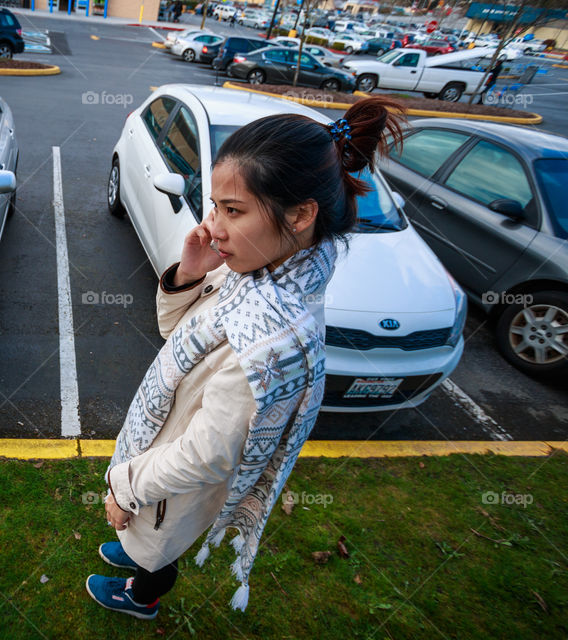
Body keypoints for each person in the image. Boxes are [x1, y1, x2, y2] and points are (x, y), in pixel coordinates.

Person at [85, 97, 405, 619]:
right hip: (159, 458)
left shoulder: (269, 340)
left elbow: (208, 454)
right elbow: (176, 337)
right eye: (214, 206)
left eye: (233, 210)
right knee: (146, 534)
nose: (214, 227)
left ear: (301, 215)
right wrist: (189, 273)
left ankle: (143, 596)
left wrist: (126, 488)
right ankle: (138, 549)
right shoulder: (258, 271)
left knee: (161, 546)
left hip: (169, 484)